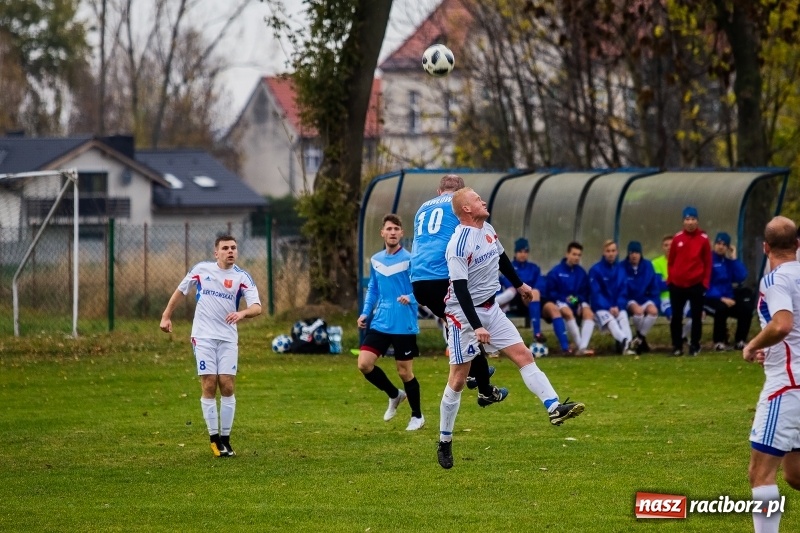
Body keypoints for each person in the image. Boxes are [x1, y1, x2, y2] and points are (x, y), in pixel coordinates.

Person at [437, 188, 584, 469]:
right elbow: (460, 290)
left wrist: (520, 284)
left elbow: (502, 258)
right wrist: (477, 326)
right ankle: (444, 440)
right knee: (457, 380)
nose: (482, 201)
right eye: (477, 199)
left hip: (492, 308)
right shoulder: (458, 244)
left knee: (524, 356)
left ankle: (554, 408)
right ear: (466, 209)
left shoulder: (487, 228)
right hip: (462, 316)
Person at [160, 235, 262, 458]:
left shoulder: (242, 277)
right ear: (216, 253)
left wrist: (242, 313)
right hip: (203, 336)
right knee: (209, 384)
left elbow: (257, 307)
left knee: (227, 385)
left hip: (227, 338)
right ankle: (214, 440)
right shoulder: (201, 269)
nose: (230, 251)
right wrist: (167, 315)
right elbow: (180, 291)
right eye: (225, 248)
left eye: (233, 248)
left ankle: (226, 439)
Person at [410, 174, 505, 406]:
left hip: (418, 280)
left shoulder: (422, 208)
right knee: (470, 327)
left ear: (438, 190)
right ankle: (484, 389)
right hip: (441, 277)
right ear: (462, 194)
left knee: (460, 325)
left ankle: (478, 378)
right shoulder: (458, 207)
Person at [742, 216, 800, 533]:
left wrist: (752, 345)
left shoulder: (776, 279)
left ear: (765, 248)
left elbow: (782, 325)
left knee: (760, 474)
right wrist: (775, 348)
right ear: (798, 245)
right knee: (795, 475)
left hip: (788, 387)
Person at [357, 214, 425, 431]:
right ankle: (395, 395)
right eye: (389, 229)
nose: (393, 232)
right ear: (382, 232)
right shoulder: (376, 260)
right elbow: (373, 290)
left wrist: (411, 297)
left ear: (402, 233)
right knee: (364, 364)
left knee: (405, 372)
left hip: (403, 322)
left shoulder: (411, 259)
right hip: (380, 321)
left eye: (397, 228)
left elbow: (422, 288)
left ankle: (417, 416)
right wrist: (365, 313)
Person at [668, 206, 712, 356]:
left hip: (696, 284)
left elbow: (707, 262)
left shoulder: (703, 239)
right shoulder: (677, 238)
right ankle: (677, 346)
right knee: (676, 316)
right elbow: (671, 260)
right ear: (683, 221)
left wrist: (704, 283)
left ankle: (695, 345)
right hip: (677, 284)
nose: (690, 222)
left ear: (697, 221)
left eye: (693, 219)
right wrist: (671, 279)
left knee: (696, 316)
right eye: (687, 219)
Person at [542, 242, 595, 355]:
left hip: (577, 302)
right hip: (560, 302)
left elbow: (584, 292)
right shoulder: (556, 271)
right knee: (568, 312)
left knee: (589, 313)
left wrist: (578, 302)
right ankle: (582, 347)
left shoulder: (581, 273)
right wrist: (566, 299)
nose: (576, 257)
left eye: (579, 255)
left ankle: (582, 347)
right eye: (574, 254)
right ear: (567, 254)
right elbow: (551, 292)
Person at [703, 231, 753, 350]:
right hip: (710, 298)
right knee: (721, 308)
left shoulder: (728, 262)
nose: (721, 246)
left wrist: (734, 258)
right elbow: (705, 284)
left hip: (728, 298)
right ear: (714, 244)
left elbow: (741, 276)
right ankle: (719, 342)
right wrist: (721, 298)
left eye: (724, 244)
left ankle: (740, 341)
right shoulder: (707, 260)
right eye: (719, 243)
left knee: (746, 309)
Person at [495, 237, 547, 344]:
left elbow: (541, 284)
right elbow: (505, 284)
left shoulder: (534, 268)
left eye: (525, 251)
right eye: (520, 251)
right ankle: (537, 333)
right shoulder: (509, 266)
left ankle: (569, 348)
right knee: (512, 290)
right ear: (515, 252)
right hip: (514, 301)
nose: (523, 254)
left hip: (532, 301)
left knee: (550, 306)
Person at [589, 239, 634, 354]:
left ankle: (627, 347)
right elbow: (596, 293)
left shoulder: (621, 270)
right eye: (608, 251)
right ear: (604, 252)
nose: (611, 253)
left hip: (617, 306)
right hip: (601, 308)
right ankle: (626, 341)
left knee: (623, 318)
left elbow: (623, 291)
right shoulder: (595, 270)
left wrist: (618, 306)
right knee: (611, 321)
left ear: (617, 252)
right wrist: (609, 307)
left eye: (613, 251)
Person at [621, 241, 661, 353]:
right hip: (629, 299)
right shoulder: (622, 267)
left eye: (637, 252)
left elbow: (654, 286)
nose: (634, 255)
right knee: (638, 311)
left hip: (644, 298)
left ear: (641, 254)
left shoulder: (648, 266)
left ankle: (639, 337)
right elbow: (621, 288)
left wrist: (654, 300)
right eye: (632, 252)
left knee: (653, 311)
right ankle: (640, 341)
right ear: (628, 254)